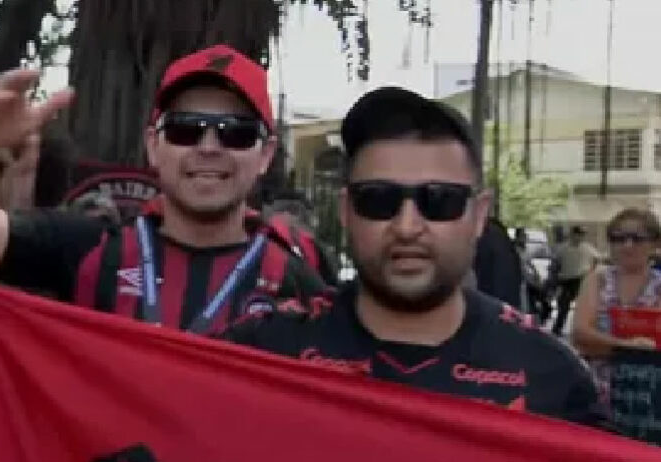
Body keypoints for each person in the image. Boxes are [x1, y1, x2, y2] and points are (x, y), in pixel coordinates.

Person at [223, 87, 599, 425]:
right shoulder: (262, 355)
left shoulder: (552, 378)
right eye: (378, 199)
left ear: (480, 214)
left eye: (439, 201)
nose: (406, 227)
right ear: (345, 211)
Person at [0, 45, 327, 334]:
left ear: (266, 154)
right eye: (185, 130)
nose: (208, 148)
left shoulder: (298, 279)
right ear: (153, 146)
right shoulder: (91, 248)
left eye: (236, 134)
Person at [572, 208, 661, 418]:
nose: (627, 245)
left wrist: (604, 344)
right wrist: (631, 346)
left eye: (637, 238)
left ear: (655, 243)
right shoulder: (596, 279)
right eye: (618, 238)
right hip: (598, 390)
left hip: (651, 395)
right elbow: (581, 336)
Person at [553, 225, 601, 336]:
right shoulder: (563, 249)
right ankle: (557, 330)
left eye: (582, 235)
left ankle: (587, 330)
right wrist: (556, 278)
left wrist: (591, 271)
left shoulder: (587, 248)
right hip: (567, 280)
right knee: (563, 306)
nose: (580, 237)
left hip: (581, 279)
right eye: (578, 234)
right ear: (573, 235)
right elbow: (556, 263)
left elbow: (597, 259)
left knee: (586, 307)